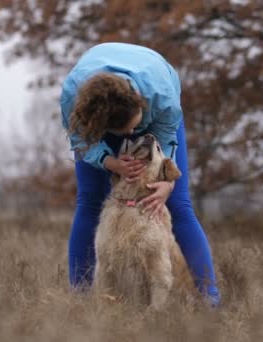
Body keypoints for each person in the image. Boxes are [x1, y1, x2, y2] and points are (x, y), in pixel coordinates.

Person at [59, 42, 221, 306]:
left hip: (155, 91)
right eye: (123, 132)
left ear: (140, 105)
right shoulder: (73, 98)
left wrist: (167, 182)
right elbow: (82, 141)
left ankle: (210, 300)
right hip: (94, 112)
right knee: (89, 200)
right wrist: (110, 162)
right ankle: (80, 299)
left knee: (179, 204)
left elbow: (167, 140)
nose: (131, 136)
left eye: (134, 126)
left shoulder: (161, 96)